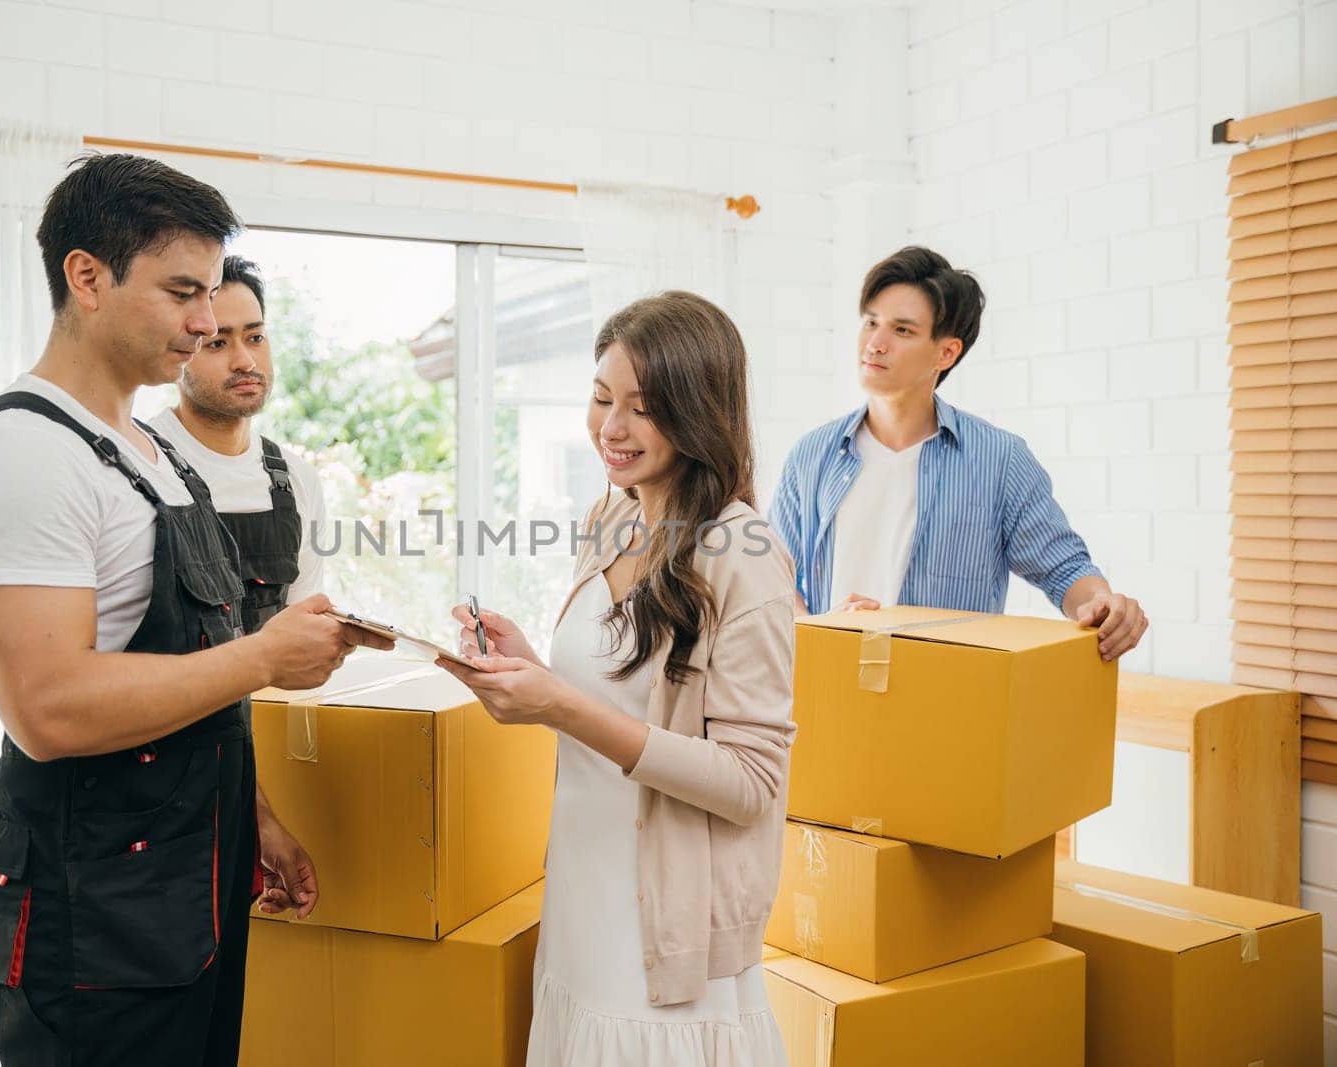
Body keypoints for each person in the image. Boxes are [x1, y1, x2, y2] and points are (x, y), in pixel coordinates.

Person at [0, 152, 389, 1066]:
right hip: (87, 925)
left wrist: (250, 814)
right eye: (184, 291)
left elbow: (188, 668)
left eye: (214, 293)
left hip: (187, 896)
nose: (205, 320)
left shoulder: (148, 451)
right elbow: (50, 710)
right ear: (87, 276)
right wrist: (264, 659)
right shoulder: (24, 453)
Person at [436, 291, 795, 1065]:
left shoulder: (743, 551)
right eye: (601, 398)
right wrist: (528, 667)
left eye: (644, 406)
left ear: (699, 411)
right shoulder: (612, 517)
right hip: (582, 891)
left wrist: (561, 705)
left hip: (662, 918)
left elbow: (750, 780)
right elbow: (610, 689)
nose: (611, 427)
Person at [768, 245, 1149, 661]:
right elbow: (773, 586)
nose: (874, 344)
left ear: (946, 352)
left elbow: (1066, 570)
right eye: (871, 322)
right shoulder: (811, 456)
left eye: (902, 330)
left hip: (948, 696)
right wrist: (821, 629)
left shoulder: (999, 460)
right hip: (830, 687)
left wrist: (1103, 605)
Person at [146, 254, 328, 634]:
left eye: (255, 338)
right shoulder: (142, 462)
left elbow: (305, 627)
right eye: (217, 343)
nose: (245, 361)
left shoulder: (296, 479)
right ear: (179, 351)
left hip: (272, 695)